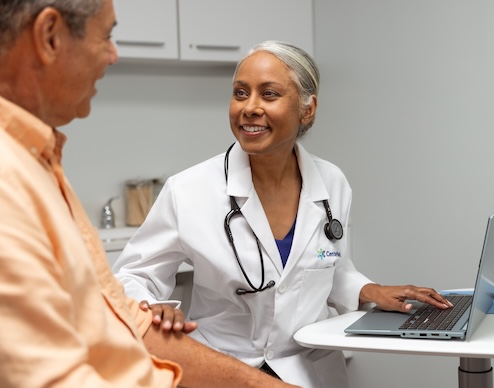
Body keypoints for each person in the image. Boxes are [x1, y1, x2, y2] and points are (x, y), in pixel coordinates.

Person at [113, 40, 454, 387]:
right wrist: (149, 306)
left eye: (269, 94)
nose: (250, 107)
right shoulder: (188, 190)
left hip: (310, 370)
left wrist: (370, 290)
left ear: (307, 109)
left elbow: (328, 267)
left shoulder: (331, 183)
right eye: (241, 93)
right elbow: (133, 275)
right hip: (224, 369)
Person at [0, 2, 302, 387]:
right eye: (106, 35)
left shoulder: (39, 162)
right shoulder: (9, 181)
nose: (114, 55)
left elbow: (120, 317)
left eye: (270, 94)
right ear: (50, 36)